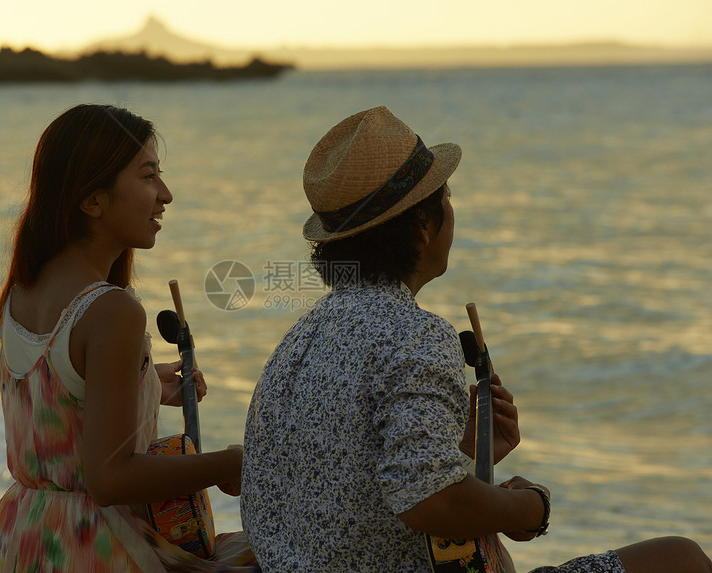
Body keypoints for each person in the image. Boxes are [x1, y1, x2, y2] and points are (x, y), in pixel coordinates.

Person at [240, 106, 712, 572]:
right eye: (445, 197)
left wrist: (463, 449)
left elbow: (346, 482)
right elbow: (430, 502)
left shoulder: (299, 339)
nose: (451, 210)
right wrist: (530, 507)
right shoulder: (414, 335)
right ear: (422, 226)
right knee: (681, 558)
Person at [0, 104, 259, 571]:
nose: (165, 194)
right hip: (96, 547)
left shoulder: (22, 290)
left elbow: (60, 399)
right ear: (92, 200)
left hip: (23, 536)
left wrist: (148, 387)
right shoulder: (111, 310)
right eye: (148, 176)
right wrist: (232, 462)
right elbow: (110, 479)